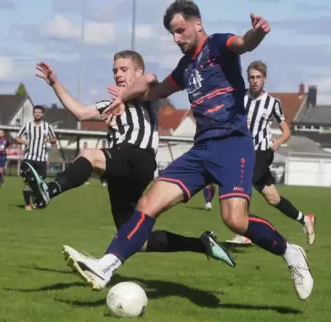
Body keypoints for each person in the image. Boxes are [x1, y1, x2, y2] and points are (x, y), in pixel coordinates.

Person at [66, 0, 313, 301]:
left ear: (197, 24)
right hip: (201, 149)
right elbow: (156, 91)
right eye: (172, 33)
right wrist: (124, 97)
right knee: (148, 203)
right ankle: (106, 266)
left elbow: (244, 43)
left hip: (233, 144)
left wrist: (257, 32)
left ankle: (291, 253)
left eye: (180, 31)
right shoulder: (185, 67)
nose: (176, 39)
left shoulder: (219, 45)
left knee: (234, 220)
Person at [23, 52, 234, 266]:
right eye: (115, 70)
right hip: (121, 169)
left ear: (137, 72)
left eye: (124, 69)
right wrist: (54, 83)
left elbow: (150, 78)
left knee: (89, 155)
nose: (118, 74)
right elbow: (80, 113)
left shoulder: (147, 94)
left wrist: (123, 95)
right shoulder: (113, 103)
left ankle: (49, 190)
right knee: (133, 238)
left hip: (136, 156)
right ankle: (201, 244)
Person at [225, 60, 315, 247]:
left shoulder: (273, 103)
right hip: (243, 150)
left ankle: (245, 231)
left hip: (262, 151)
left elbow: (286, 131)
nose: (255, 81)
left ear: (265, 79)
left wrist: (279, 142)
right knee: (273, 198)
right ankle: (305, 219)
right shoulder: (240, 98)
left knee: (243, 181)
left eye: (258, 77)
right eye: (251, 78)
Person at [15, 105, 57, 211]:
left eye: (39, 112)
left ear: (43, 114)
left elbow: (54, 139)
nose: (37, 114)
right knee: (27, 181)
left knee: (40, 183)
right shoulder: (27, 126)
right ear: (33, 114)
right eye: (35, 112)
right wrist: (24, 141)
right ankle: (27, 204)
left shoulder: (47, 127)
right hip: (29, 158)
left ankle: (36, 201)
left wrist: (49, 140)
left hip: (42, 159)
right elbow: (17, 138)